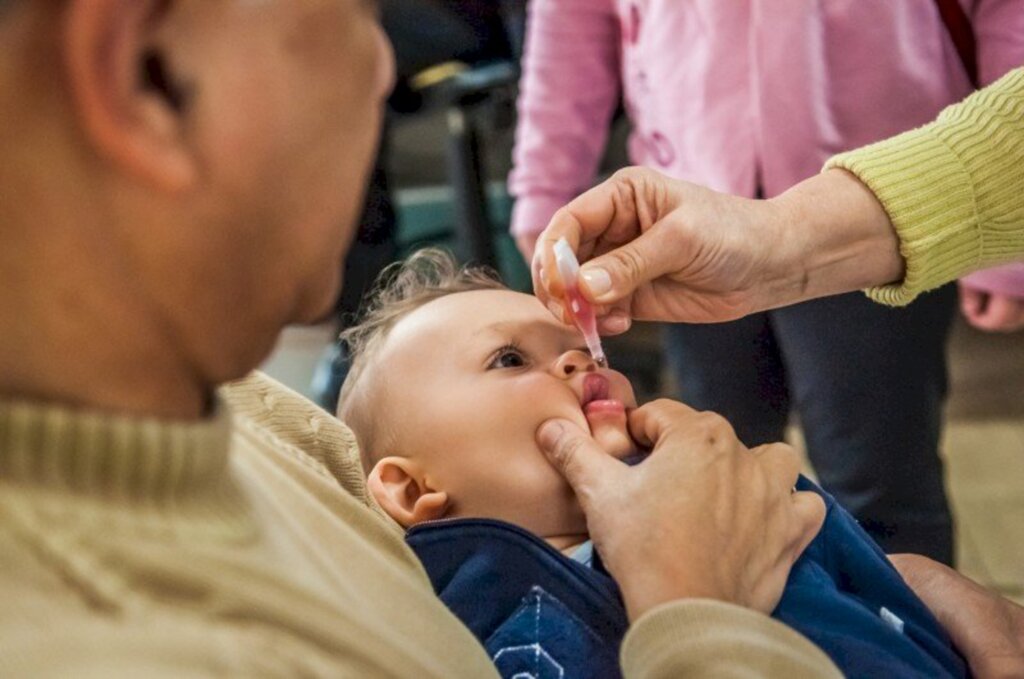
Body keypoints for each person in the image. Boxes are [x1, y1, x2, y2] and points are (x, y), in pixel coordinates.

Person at [0, 1, 838, 676]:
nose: (379, 68)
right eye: (355, 14)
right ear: (147, 73)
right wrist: (703, 614)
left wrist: (918, 595)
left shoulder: (252, 431)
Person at [511, 0, 1024, 563]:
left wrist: (995, 237)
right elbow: (569, 25)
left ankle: (912, 643)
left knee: (881, 479)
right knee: (721, 474)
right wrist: (544, 187)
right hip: (681, 199)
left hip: (892, 195)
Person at [336, 249, 967, 678]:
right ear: (413, 487)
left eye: (579, 346)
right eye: (508, 359)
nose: (582, 361)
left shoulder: (725, 497)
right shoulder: (529, 646)